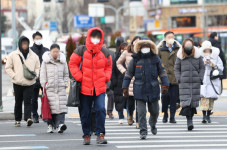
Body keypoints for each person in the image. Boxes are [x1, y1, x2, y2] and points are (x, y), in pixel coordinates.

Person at [69, 27, 112, 145]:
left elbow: (109, 66)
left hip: (100, 87)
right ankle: (86, 135)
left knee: (100, 109)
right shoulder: (80, 50)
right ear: (89, 37)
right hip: (84, 88)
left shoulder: (105, 52)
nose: (96, 39)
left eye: (98, 37)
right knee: (85, 112)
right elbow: (72, 64)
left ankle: (100, 135)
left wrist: (106, 77)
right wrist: (79, 77)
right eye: (94, 37)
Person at [122, 40, 169, 140]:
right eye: (143, 47)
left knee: (155, 111)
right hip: (139, 89)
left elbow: (162, 72)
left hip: (153, 88)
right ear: (139, 48)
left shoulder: (155, 58)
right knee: (141, 112)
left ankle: (152, 123)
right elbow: (128, 74)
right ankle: (143, 131)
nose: (145, 48)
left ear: (151, 47)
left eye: (147, 47)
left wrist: (165, 85)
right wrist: (125, 87)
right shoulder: (135, 59)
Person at [5, 36, 40, 127]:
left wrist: (35, 76)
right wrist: (14, 76)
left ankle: (28, 118)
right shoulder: (13, 55)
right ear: (20, 44)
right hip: (17, 82)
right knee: (18, 101)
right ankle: (17, 120)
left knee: (28, 100)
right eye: (23, 43)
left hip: (30, 82)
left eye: (26, 43)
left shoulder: (34, 55)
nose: (25, 45)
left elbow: (37, 67)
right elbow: (8, 67)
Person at [174, 38, 205, 131]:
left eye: (190, 45)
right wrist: (179, 78)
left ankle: (190, 119)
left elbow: (202, 68)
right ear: (183, 46)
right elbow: (176, 69)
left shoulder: (197, 56)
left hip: (195, 82)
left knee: (192, 103)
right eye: (186, 45)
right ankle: (189, 121)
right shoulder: (180, 56)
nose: (188, 47)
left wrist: (200, 78)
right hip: (184, 83)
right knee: (186, 103)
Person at [40, 44, 69, 133]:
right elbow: (42, 75)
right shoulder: (45, 62)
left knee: (61, 108)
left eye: (57, 51)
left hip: (60, 88)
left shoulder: (63, 61)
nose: (56, 53)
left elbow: (66, 74)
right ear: (50, 52)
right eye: (54, 51)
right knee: (50, 108)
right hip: (50, 88)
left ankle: (60, 125)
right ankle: (50, 125)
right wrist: (45, 85)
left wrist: (64, 84)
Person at [157, 31, 181, 124]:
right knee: (165, 97)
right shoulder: (160, 49)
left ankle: (172, 116)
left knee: (174, 98)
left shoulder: (178, 49)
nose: (171, 38)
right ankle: (165, 114)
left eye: (172, 37)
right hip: (164, 77)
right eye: (169, 37)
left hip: (175, 77)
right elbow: (157, 62)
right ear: (165, 38)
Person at [117, 36, 141, 128]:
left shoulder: (142, 52)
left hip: (140, 79)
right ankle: (130, 115)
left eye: (139, 41)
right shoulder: (127, 52)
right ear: (133, 42)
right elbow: (118, 62)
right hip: (130, 79)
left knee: (140, 101)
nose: (137, 43)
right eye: (136, 41)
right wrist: (124, 71)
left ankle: (139, 121)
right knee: (131, 101)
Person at [200, 41, 223, 123]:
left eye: (208, 50)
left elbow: (221, 68)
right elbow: (196, 67)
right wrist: (203, 63)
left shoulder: (216, 57)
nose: (207, 51)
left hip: (213, 81)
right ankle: (203, 116)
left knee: (210, 100)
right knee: (203, 99)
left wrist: (214, 65)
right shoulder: (200, 57)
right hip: (203, 81)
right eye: (205, 50)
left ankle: (208, 115)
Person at [30, 31, 49, 123]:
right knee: (33, 99)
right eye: (37, 39)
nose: (38, 40)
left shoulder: (46, 50)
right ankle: (35, 115)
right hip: (34, 78)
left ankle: (44, 114)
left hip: (44, 78)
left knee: (46, 97)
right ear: (33, 40)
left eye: (40, 38)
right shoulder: (30, 51)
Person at [111, 42, 128, 124]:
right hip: (118, 83)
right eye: (122, 49)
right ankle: (121, 116)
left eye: (126, 49)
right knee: (118, 100)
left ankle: (129, 116)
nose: (124, 51)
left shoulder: (130, 58)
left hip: (128, 82)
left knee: (128, 100)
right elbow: (113, 71)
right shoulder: (116, 59)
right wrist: (114, 81)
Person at [103, 40, 115, 119]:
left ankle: (109, 111)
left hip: (108, 78)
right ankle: (101, 111)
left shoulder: (111, 53)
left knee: (110, 94)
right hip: (99, 78)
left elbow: (113, 67)